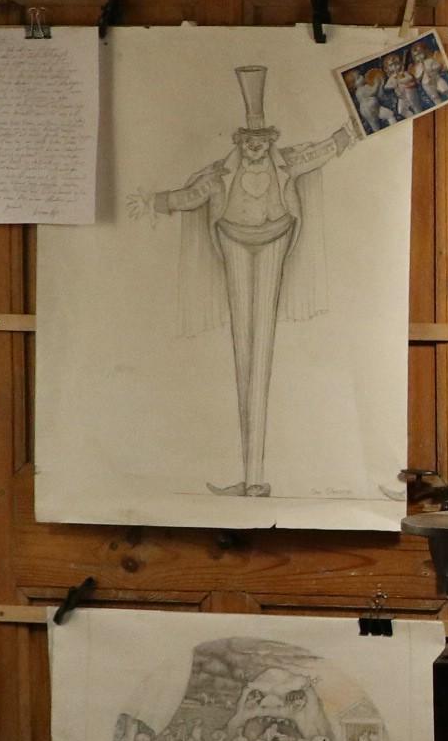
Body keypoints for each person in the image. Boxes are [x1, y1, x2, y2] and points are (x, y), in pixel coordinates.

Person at [138, 71, 359, 497]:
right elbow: (190, 196)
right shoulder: (220, 175)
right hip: (234, 244)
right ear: (239, 144)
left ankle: (255, 477)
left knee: (262, 349)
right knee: (244, 347)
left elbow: (322, 152)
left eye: (261, 142)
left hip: (274, 242)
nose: (255, 148)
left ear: (270, 141)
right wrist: (155, 200)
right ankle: (250, 474)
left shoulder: (287, 163)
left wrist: (351, 128)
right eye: (248, 142)